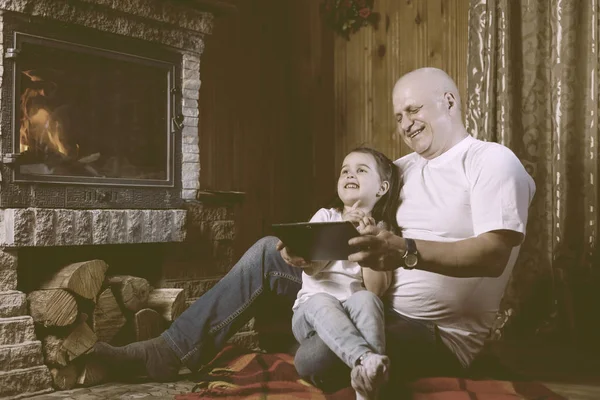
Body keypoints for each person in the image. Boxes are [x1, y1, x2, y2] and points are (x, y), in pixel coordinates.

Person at [93, 67, 535, 394]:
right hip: (362, 295)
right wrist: (308, 250)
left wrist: (403, 251)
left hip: (433, 331)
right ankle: (169, 351)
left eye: (414, 110)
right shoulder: (398, 170)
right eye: (399, 115)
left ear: (449, 102)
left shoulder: (490, 161)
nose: (405, 124)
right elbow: (354, 221)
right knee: (271, 251)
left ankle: (332, 346)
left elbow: (494, 255)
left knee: (317, 359)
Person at [289, 147, 400, 399]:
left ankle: (367, 387)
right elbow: (312, 267)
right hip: (310, 314)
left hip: (352, 313)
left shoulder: (383, 232)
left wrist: (366, 239)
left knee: (366, 299)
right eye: (345, 171)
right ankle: (365, 358)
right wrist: (341, 229)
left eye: (361, 170)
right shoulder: (324, 216)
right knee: (322, 300)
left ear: (381, 189)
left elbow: (376, 290)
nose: (350, 175)